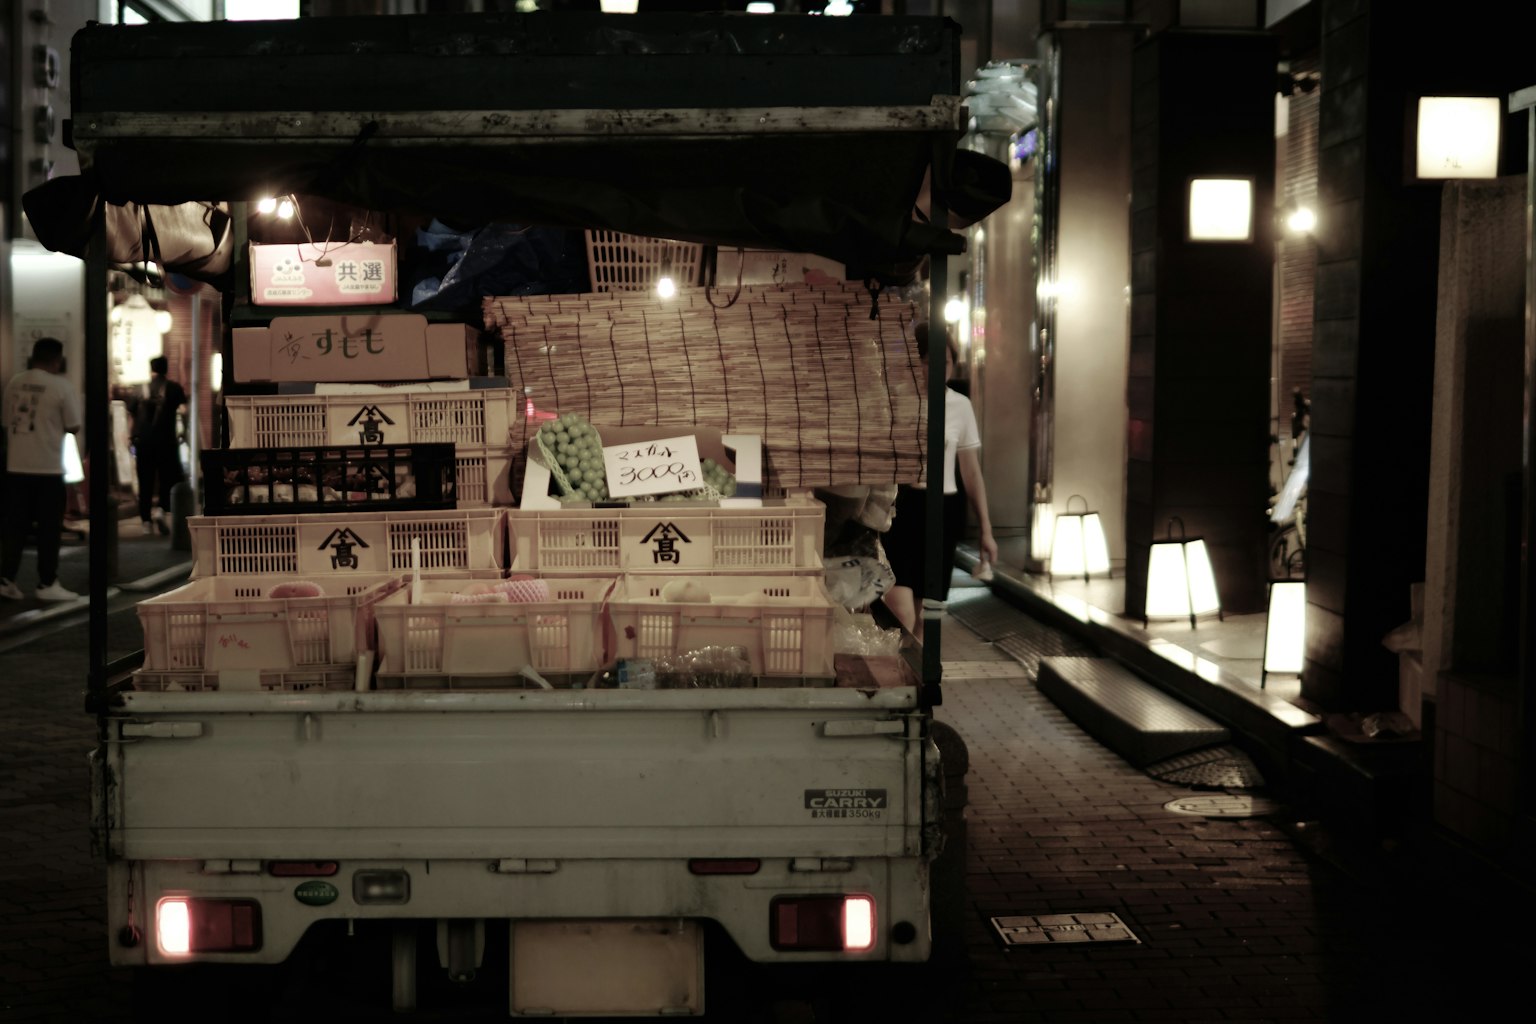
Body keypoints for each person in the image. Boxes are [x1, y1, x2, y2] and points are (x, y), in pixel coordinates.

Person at [882, 323, 998, 644]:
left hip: (943, 512)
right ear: (913, 362)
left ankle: (912, 686)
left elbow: (971, 471)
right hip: (901, 508)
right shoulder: (895, 402)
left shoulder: (960, 406)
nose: (938, 369)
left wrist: (986, 531)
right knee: (901, 612)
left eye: (945, 363)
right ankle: (898, 677)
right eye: (928, 361)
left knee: (924, 616)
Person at [1, 337, 84, 602]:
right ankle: (47, 582)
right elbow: (74, 425)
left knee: (14, 527)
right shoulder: (61, 386)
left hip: (15, 467)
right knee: (49, 528)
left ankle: (6, 579)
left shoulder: (14, 383)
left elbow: (5, 421)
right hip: (48, 468)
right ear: (57, 359)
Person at [128, 355, 186, 534]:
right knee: (167, 478)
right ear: (166, 369)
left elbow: (131, 416)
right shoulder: (174, 388)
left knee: (145, 480)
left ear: (150, 369)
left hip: (144, 442)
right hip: (167, 441)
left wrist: (130, 437)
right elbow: (183, 411)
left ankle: (145, 521)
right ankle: (161, 509)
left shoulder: (139, 390)